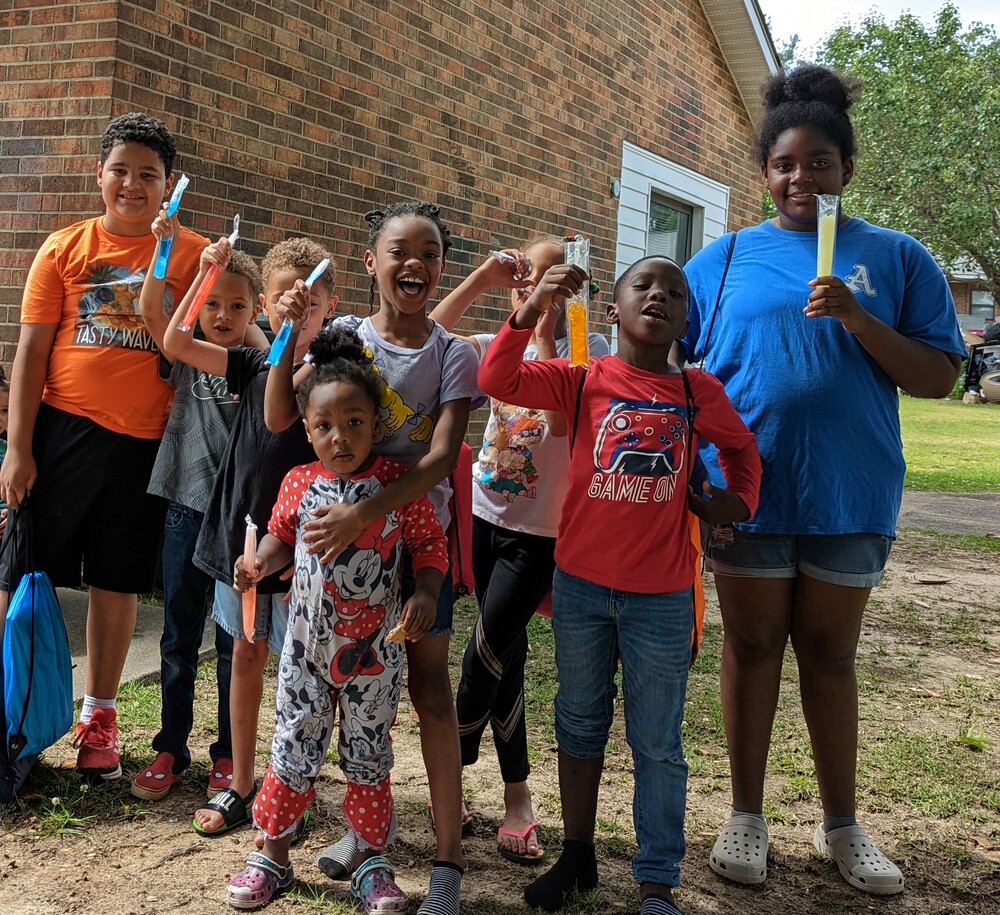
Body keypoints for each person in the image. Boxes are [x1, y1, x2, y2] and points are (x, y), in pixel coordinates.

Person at [678, 65, 966, 896]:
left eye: (821, 163)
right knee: (753, 644)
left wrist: (858, 316)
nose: (802, 178)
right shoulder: (725, 258)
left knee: (831, 656)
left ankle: (842, 823)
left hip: (849, 491)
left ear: (847, 167)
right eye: (785, 165)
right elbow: (663, 346)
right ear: (765, 171)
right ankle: (746, 814)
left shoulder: (897, 257)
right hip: (745, 491)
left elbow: (938, 376)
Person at [478, 255, 761, 915]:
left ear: (686, 317)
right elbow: (498, 374)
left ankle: (657, 879)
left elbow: (743, 450)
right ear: (613, 309)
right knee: (578, 722)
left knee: (657, 740)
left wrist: (733, 503)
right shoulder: (583, 380)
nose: (659, 295)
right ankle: (577, 855)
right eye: (644, 285)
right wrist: (528, 310)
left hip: (660, 599)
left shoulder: (697, 394)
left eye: (674, 291)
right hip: (580, 590)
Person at [265, 201, 480, 915]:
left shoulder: (455, 354)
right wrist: (294, 336)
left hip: (415, 544)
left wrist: (367, 510)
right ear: (370, 263)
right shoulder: (346, 335)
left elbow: (443, 456)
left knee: (429, 693)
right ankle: (356, 841)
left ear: (441, 265)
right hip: (336, 554)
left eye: (429, 252)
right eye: (398, 250)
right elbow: (279, 414)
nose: (413, 263)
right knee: (343, 701)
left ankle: (446, 862)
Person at [0, 112, 208, 780]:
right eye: (120, 169)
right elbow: (31, 351)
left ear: (169, 185)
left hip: (145, 445)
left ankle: (100, 719)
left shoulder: (197, 255)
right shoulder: (63, 248)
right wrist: (18, 447)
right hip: (62, 433)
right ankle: (15, 718)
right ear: (100, 174)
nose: (132, 184)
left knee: (117, 581)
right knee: (23, 577)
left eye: (148, 174)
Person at [225, 324, 449, 912]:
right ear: (308, 430)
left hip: (376, 655)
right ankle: (271, 852)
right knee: (293, 746)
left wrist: (424, 593)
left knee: (369, 752)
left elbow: (431, 548)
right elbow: (277, 541)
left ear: (376, 422)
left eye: (354, 422)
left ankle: (372, 861)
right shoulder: (299, 482)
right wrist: (254, 565)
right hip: (304, 653)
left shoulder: (397, 485)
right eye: (325, 426)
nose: (340, 437)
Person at [431, 237, 610, 865]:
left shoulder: (592, 352)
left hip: (543, 534)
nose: (528, 284)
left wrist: (547, 330)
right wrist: (488, 279)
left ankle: (449, 770)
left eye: (545, 276)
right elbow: (430, 333)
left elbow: (563, 421)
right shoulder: (491, 342)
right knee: (504, 651)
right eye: (524, 275)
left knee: (483, 655)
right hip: (487, 516)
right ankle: (517, 800)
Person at [170, 237, 337, 837]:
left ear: (329, 305)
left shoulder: (332, 366)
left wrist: (292, 334)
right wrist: (206, 272)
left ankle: (291, 784)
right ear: (265, 302)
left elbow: (280, 412)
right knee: (244, 654)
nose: (300, 308)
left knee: (303, 667)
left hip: (304, 546)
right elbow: (174, 341)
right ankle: (241, 782)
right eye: (287, 299)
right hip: (239, 538)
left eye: (312, 299)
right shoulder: (250, 362)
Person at [131, 215, 264, 801]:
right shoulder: (189, 352)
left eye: (238, 308)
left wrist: (246, 304)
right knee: (178, 636)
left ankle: (229, 754)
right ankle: (171, 745)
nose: (224, 317)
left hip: (238, 522)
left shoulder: (260, 364)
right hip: (186, 512)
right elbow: (158, 316)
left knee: (235, 642)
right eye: (214, 306)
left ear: (255, 310)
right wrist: (187, 262)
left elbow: (265, 340)